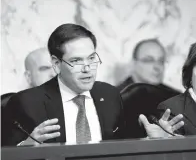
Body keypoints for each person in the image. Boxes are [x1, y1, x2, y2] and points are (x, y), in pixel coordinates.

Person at [4, 23, 178, 146]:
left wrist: (150, 140)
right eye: (76, 61)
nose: (87, 68)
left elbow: (122, 148)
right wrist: (25, 147)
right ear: (56, 64)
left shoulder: (110, 95)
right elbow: (7, 156)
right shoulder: (27, 102)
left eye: (92, 58)